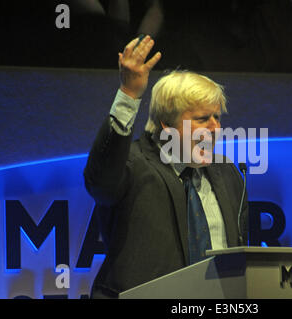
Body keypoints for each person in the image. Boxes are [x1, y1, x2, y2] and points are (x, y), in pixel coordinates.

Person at [84, 35, 248, 298]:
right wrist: (128, 95)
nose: (216, 128)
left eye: (217, 117)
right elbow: (100, 184)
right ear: (167, 125)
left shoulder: (228, 173)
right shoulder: (132, 164)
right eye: (203, 119)